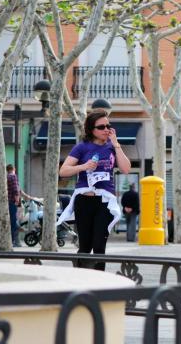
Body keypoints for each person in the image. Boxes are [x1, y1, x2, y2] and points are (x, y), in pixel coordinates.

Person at [58, 109, 131, 270]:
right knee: (85, 246)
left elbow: (126, 169)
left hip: (104, 202)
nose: (106, 129)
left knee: (99, 246)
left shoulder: (112, 147)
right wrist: (84, 166)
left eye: (108, 126)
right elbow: (63, 171)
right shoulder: (82, 147)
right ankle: (81, 281)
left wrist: (116, 144)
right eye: (101, 127)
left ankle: (99, 286)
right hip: (84, 201)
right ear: (91, 129)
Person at [6, 164, 21, 247]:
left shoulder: (7, 176)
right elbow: (16, 190)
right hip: (12, 201)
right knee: (13, 221)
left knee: (10, 221)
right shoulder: (13, 176)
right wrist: (17, 200)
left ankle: (11, 240)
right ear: (14, 169)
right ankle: (13, 241)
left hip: (7, 201)